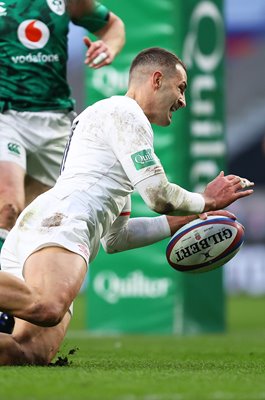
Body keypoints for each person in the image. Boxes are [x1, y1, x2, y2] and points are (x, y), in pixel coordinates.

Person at [0, 47, 254, 365]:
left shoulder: (112, 132)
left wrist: (193, 214)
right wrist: (207, 199)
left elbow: (116, 239)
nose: (183, 101)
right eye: (181, 88)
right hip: (62, 222)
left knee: (27, 352)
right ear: (157, 79)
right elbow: (158, 195)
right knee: (49, 307)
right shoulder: (125, 112)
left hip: (46, 224)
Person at [0, 0, 125, 332]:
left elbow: (113, 26)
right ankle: (4, 313)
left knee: (47, 224)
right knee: (8, 205)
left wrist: (107, 48)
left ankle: (26, 308)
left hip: (55, 122)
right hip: (5, 114)